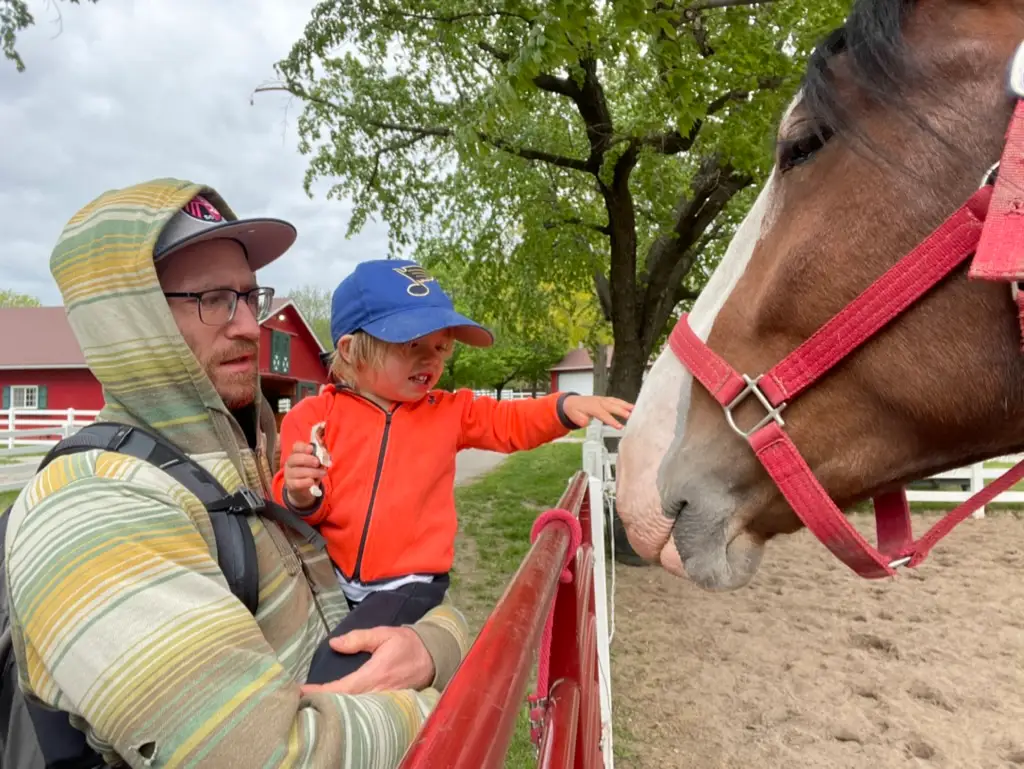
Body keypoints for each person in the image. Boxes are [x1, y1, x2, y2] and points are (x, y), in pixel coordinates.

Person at [2, 179, 472, 768]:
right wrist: (439, 695)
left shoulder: (241, 465)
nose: (250, 325)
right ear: (132, 319)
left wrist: (431, 643)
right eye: (215, 299)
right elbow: (276, 757)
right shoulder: (92, 511)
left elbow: (366, 607)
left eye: (251, 297)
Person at [273, 259, 633, 685]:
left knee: (338, 665)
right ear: (352, 351)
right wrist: (299, 493)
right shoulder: (312, 417)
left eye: (442, 348)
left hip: (408, 583)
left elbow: (508, 421)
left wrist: (564, 408)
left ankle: (325, 718)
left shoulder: (448, 412)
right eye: (412, 345)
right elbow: (305, 503)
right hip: (330, 576)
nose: (432, 359)